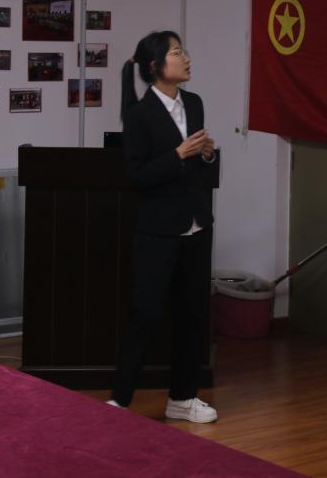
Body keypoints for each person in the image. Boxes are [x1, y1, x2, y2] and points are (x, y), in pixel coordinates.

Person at [108, 30, 220, 423]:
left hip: (196, 226)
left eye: (184, 51)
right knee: (146, 314)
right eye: (177, 52)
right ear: (155, 66)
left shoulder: (195, 102)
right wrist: (178, 154)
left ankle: (183, 398)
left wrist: (206, 155)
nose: (186, 58)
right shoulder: (140, 114)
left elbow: (198, 168)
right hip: (157, 230)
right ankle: (120, 399)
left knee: (193, 315)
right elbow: (137, 175)